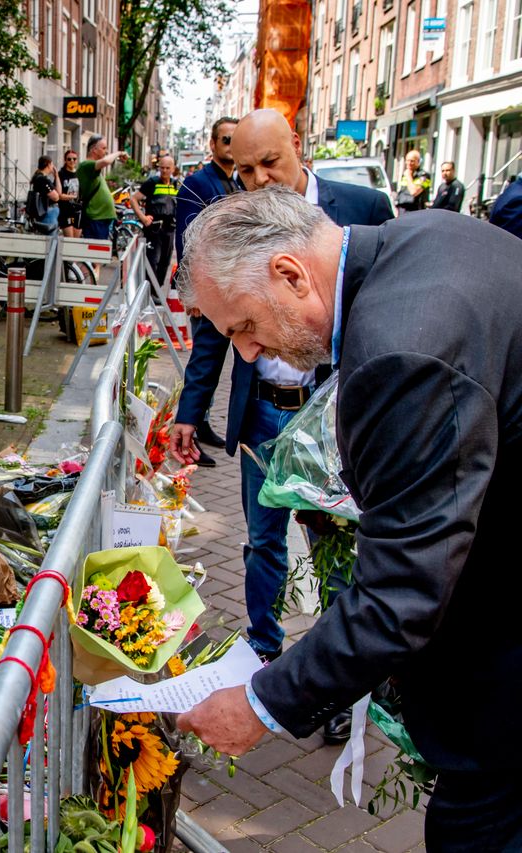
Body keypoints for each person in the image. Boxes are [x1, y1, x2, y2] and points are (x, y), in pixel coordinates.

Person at [174, 187, 522, 851]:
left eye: (243, 325)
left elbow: (403, 591)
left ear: (289, 274)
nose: (246, 352)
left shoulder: (401, 349)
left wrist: (262, 704)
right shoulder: (429, 237)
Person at [172, 108, 392, 744]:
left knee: (335, 546)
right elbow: (219, 331)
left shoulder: (361, 208)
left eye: (270, 162)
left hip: (337, 414)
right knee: (263, 539)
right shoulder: (236, 223)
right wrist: (191, 411)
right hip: (265, 410)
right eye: (245, 170)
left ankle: (338, 684)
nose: (260, 179)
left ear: (297, 146)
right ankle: (262, 651)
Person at [174, 116, 242, 469]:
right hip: (210, 292)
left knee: (217, 363)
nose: (231, 146)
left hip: (235, 291)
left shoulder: (240, 181)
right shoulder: (197, 183)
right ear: (213, 144)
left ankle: (203, 423)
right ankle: (192, 430)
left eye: (236, 139)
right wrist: (195, 293)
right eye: (226, 139)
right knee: (203, 360)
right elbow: (187, 239)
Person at [128, 153, 180, 288]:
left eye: (167, 168)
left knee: (165, 261)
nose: (164, 171)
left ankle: (157, 289)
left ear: (173, 169)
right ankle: (149, 290)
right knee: (152, 261)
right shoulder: (152, 182)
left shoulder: (176, 185)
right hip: (154, 228)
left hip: (169, 228)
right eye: (162, 168)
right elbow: (134, 199)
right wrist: (143, 218)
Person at [76, 135, 128, 241]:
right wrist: (119, 153)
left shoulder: (93, 168)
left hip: (101, 217)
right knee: (96, 249)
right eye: (104, 148)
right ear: (94, 150)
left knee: (101, 249)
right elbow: (106, 162)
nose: (106, 151)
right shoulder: (86, 165)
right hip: (95, 217)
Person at [28, 155, 61, 233]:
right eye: (52, 164)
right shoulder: (42, 180)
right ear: (49, 164)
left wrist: (56, 176)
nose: (53, 166)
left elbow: (59, 192)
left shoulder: (40, 178)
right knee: (51, 237)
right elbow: (56, 197)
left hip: (48, 212)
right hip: (48, 212)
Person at [396, 148, 432, 214]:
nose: (409, 163)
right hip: (402, 209)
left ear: (418, 162)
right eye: (407, 160)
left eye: (412, 161)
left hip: (416, 210)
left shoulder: (424, 176)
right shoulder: (406, 174)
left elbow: (414, 192)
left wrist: (408, 176)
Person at [57, 150, 82, 237]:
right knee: (70, 239)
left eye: (74, 159)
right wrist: (73, 196)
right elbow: (59, 195)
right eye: (69, 159)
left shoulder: (79, 174)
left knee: (76, 240)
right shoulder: (61, 174)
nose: (72, 161)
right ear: (65, 160)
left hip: (78, 210)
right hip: (66, 211)